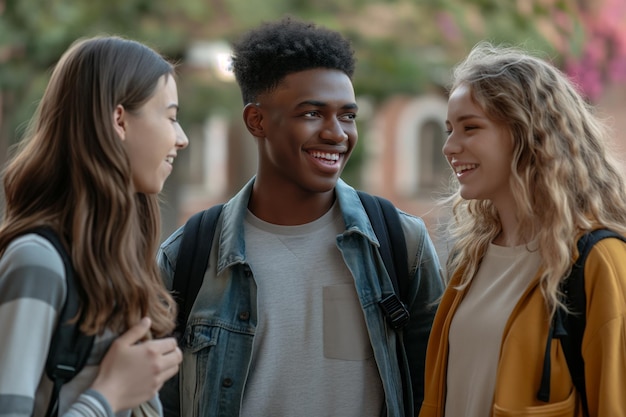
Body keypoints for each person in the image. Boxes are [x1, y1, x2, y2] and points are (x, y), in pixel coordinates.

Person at [158, 16, 444, 417]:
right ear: (256, 121)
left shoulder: (401, 243)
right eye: (312, 113)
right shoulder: (188, 255)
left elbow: (434, 392)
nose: (337, 133)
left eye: (347, 115)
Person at [419, 41, 626, 417]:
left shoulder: (601, 261)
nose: (450, 146)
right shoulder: (472, 257)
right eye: (450, 129)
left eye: (470, 127)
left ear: (528, 133)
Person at [0, 35, 188, 416]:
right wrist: (111, 393)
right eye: (170, 117)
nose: (181, 138)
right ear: (119, 119)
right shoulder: (38, 262)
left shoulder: (117, 261)